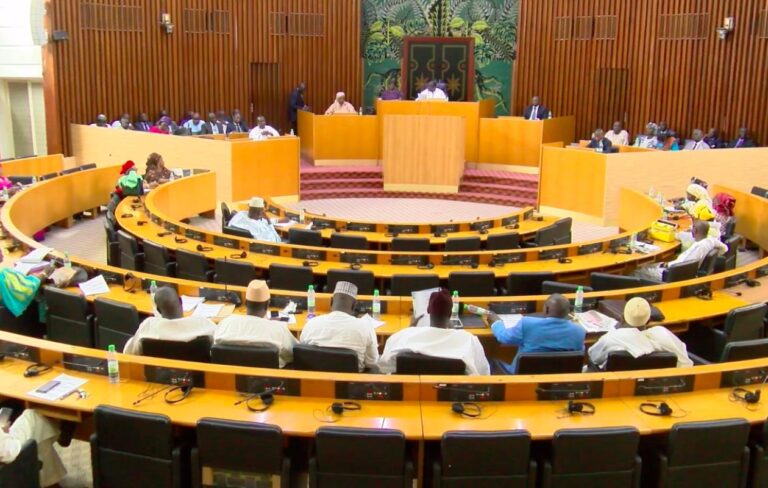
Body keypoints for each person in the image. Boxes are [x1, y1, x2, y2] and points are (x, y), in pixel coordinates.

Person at [378, 289, 490, 375]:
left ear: (428, 310)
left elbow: (384, 365)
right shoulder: (468, 339)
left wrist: (410, 328)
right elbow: (483, 373)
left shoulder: (404, 336)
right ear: (451, 314)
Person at [487, 294, 585, 374]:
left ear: (546, 309)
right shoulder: (579, 331)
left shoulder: (527, 323)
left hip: (521, 378)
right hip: (560, 380)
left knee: (491, 362)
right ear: (568, 312)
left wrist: (496, 322)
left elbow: (504, 337)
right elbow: (578, 356)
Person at [587, 297, 692, 370]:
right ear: (649, 319)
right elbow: (686, 363)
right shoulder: (663, 334)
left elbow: (593, 357)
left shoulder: (611, 339)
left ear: (623, 317)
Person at [214, 280, 297, 368]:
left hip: (227, 379)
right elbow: (294, 353)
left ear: (245, 303)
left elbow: (213, 349)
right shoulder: (278, 329)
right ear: (267, 305)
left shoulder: (226, 323)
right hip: (268, 380)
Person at [299, 281, 379, 372]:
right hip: (351, 383)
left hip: (315, 381)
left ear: (331, 302)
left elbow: (302, 352)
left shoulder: (311, 324)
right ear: (354, 305)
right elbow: (372, 362)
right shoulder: (365, 327)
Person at [123, 286, 215, 355]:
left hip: (157, 378)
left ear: (158, 310)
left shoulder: (148, 326)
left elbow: (129, 353)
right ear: (180, 301)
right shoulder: (203, 324)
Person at [634, 221, 728, 282]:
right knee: (650, 265)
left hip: (673, 274)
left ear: (695, 230)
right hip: (677, 269)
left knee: (636, 271)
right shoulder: (711, 241)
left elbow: (685, 264)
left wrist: (667, 265)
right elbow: (724, 248)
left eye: (692, 228)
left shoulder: (700, 247)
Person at [0, 409, 67, 486]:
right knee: (32, 416)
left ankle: (51, 483)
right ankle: (64, 431)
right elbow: (9, 453)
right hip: (7, 453)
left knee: (38, 433)